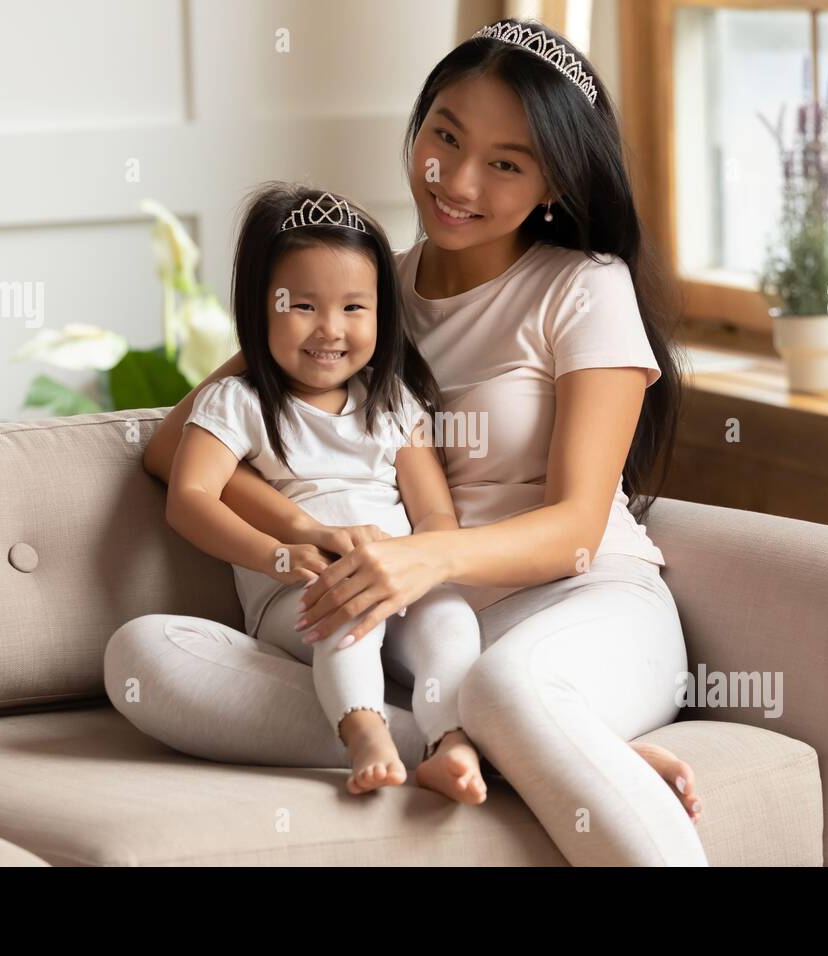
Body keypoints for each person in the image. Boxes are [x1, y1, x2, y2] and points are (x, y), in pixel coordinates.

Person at [107, 18, 708, 866]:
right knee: (149, 659)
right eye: (445, 136)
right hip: (414, 638)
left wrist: (423, 557)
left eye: (506, 161)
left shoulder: (583, 287)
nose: (456, 180)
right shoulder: (358, 294)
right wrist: (310, 532)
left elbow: (576, 530)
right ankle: (483, 747)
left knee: (503, 685)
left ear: (554, 182)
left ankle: (512, 733)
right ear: (418, 125)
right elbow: (176, 451)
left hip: (582, 607)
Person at [167, 182, 486, 804]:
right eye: (302, 305)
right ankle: (364, 731)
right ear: (257, 307)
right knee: (343, 615)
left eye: (353, 308)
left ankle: (452, 739)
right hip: (301, 589)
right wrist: (278, 556)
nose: (329, 330)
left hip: (397, 576)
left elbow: (435, 513)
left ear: (381, 312)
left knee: (451, 621)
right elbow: (190, 497)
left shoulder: (392, 402)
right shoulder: (237, 403)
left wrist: (419, 567)